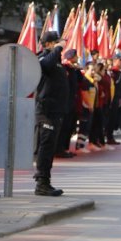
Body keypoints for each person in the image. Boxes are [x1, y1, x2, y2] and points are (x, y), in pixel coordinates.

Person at [33, 31, 68, 195]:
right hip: (45, 111)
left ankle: (46, 181)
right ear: (48, 44)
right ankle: (41, 183)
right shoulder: (42, 57)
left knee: (50, 147)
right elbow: (45, 65)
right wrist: (57, 49)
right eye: (56, 42)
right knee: (45, 146)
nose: (60, 45)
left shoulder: (57, 61)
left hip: (56, 110)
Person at [55, 48, 81, 158]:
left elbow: (81, 80)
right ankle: (59, 149)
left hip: (72, 102)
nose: (78, 58)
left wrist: (78, 69)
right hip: (65, 102)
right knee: (63, 127)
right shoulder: (65, 68)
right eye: (76, 56)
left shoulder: (73, 69)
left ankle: (65, 148)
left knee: (70, 127)